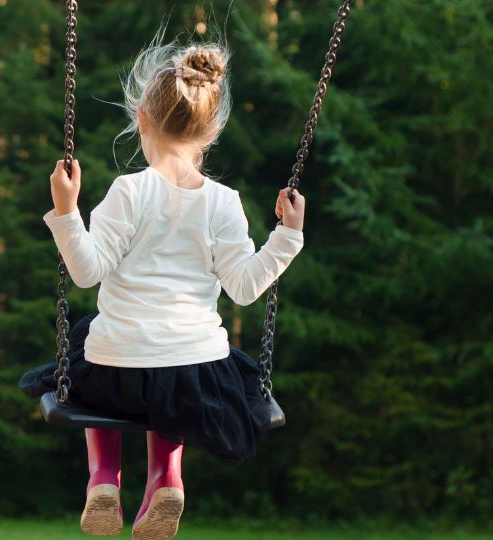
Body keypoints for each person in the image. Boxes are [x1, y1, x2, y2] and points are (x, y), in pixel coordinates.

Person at [17, 36, 305, 539]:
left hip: (116, 372)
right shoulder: (224, 202)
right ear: (212, 130)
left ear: (142, 120)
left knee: (89, 345)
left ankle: (103, 479)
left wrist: (66, 211)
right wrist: (288, 237)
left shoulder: (128, 191)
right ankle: (167, 478)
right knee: (175, 378)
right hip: (195, 375)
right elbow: (244, 288)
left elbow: (86, 271)